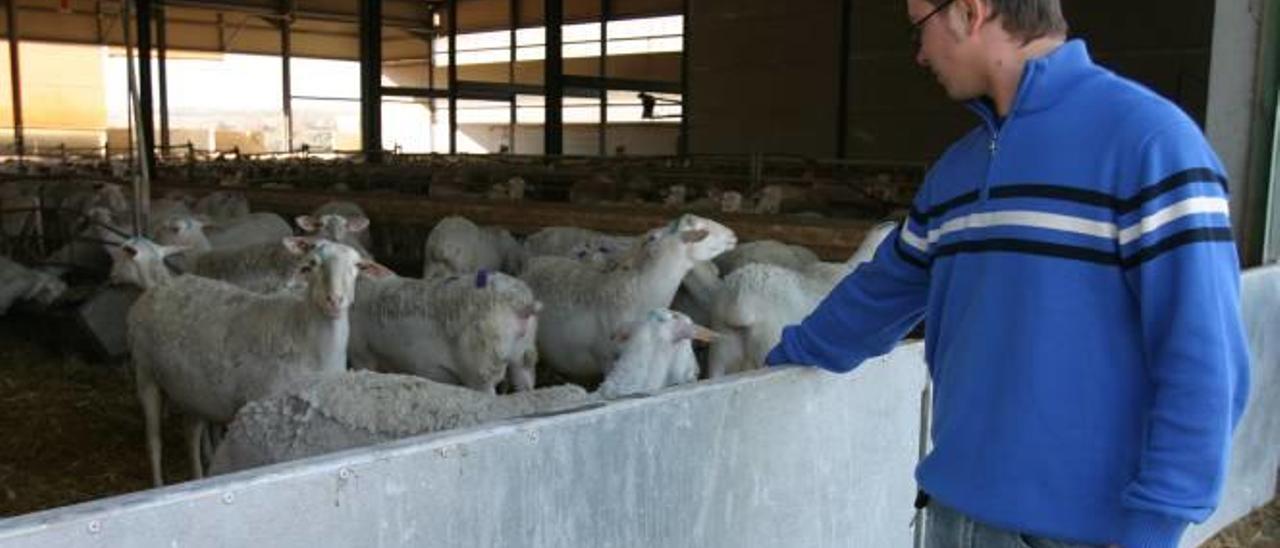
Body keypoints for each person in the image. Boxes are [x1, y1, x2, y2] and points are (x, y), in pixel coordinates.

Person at [764, 1, 1251, 547]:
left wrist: (1154, 526)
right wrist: (767, 370)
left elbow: (1204, 355)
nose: (920, 55)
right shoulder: (957, 172)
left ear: (970, 12)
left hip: (1079, 532)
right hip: (953, 516)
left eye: (919, 29)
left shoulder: (1150, 144)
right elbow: (881, 292)